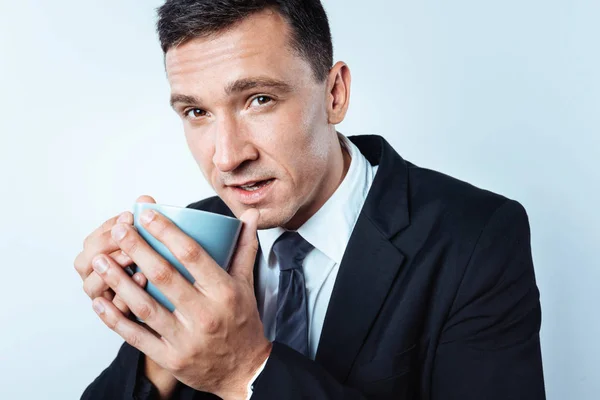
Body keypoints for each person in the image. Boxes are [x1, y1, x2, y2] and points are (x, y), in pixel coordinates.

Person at [74, 1, 546, 399]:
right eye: (196, 112)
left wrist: (246, 373)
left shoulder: (476, 236)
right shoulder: (195, 237)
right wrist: (160, 345)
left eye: (259, 99)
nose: (227, 156)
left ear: (335, 94)